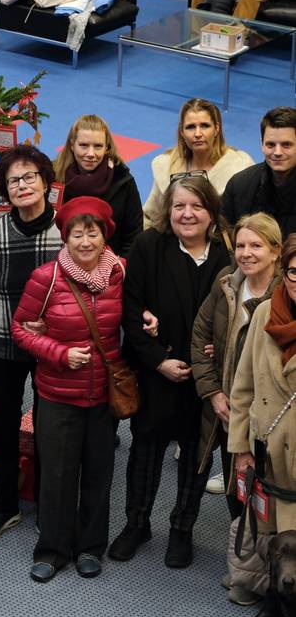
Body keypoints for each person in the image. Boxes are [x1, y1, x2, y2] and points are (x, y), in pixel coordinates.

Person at [111, 175, 231, 568]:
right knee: (145, 452)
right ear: (168, 210)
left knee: (197, 457)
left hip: (206, 378)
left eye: (197, 206)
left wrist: (219, 351)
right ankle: (137, 524)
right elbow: (131, 308)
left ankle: (182, 530)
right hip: (157, 371)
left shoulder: (228, 254)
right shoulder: (149, 246)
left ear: (212, 212)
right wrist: (157, 361)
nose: (187, 214)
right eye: (179, 206)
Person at [12, 197, 125, 582]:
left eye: (92, 233)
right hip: (57, 395)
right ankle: (52, 550)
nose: (85, 242)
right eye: (77, 234)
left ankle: (91, 547)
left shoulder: (119, 273)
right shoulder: (46, 278)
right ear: (65, 237)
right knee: (57, 476)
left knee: (98, 473)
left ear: (105, 235)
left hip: (103, 394)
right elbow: (20, 329)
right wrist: (59, 353)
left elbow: (133, 314)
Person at [0, 145, 62, 541]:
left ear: (45, 182)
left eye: (29, 177)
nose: (22, 186)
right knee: (2, 425)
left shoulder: (64, 230)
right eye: (13, 181)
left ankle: (47, 503)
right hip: (3, 344)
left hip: (50, 348)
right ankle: (4, 504)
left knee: (49, 428)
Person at [224, 233, 296, 617]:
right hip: (267, 455)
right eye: (295, 272)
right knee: (271, 541)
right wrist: (241, 448)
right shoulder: (266, 311)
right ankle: (276, 612)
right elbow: (244, 384)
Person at [192, 213, 282, 525]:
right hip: (226, 411)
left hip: (268, 417)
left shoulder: (285, 295)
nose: (245, 253)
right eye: (241, 246)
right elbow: (200, 334)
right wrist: (213, 393)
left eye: (256, 245)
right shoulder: (227, 282)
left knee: (271, 505)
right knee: (237, 493)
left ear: (275, 251)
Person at [142, 98, 253, 229]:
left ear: (216, 128)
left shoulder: (239, 168)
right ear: (182, 132)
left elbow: (249, 221)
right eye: (190, 127)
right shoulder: (166, 167)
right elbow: (150, 217)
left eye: (205, 126)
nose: (198, 134)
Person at [52, 114, 142, 256]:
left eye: (98, 146)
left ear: (107, 147)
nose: (91, 154)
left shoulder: (123, 181)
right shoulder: (54, 178)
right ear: (72, 145)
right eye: (84, 145)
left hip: (113, 263)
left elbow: (134, 235)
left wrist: (120, 265)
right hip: (62, 261)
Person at [222, 107, 296, 238]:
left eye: (286, 145)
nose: (277, 152)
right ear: (262, 144)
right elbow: (225, 239)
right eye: (270, 145)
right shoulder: (238, 186)